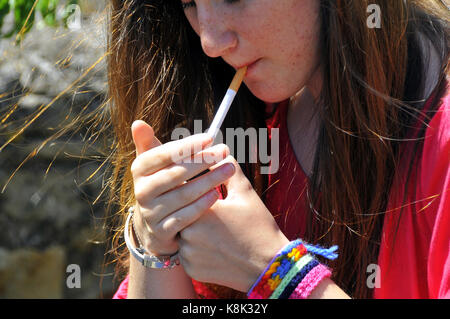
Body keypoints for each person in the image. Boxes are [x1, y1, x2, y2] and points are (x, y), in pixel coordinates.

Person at [107, 0, 449, 299]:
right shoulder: (256, 117)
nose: (209, 42)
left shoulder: (439, 136)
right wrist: (153, 240)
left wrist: (275, 271)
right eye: (188, 3)